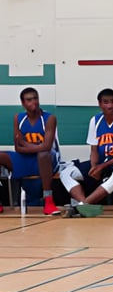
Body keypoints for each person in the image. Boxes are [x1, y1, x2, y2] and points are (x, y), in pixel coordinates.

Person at [59, 88, 113, 217]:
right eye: (106, 102)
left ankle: (80, 207)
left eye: (112, 102)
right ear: (100, 104)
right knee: (66, 173)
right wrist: (94, 166)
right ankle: (85, 205)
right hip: (100, 162)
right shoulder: (95, 120)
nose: (110, 105)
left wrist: (102, 167)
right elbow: (94, 149)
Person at [0, 87, 62, 216]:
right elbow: (17, 148)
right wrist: (25, 146)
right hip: (26, 157)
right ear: (23, 103)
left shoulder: (50, 119)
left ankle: (48, 200)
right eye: (29, 100)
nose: (33, 102)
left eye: (35, 98)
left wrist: (25, 143)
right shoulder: (18, 118)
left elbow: (47, 147)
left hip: (48, 160)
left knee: (43, 154)